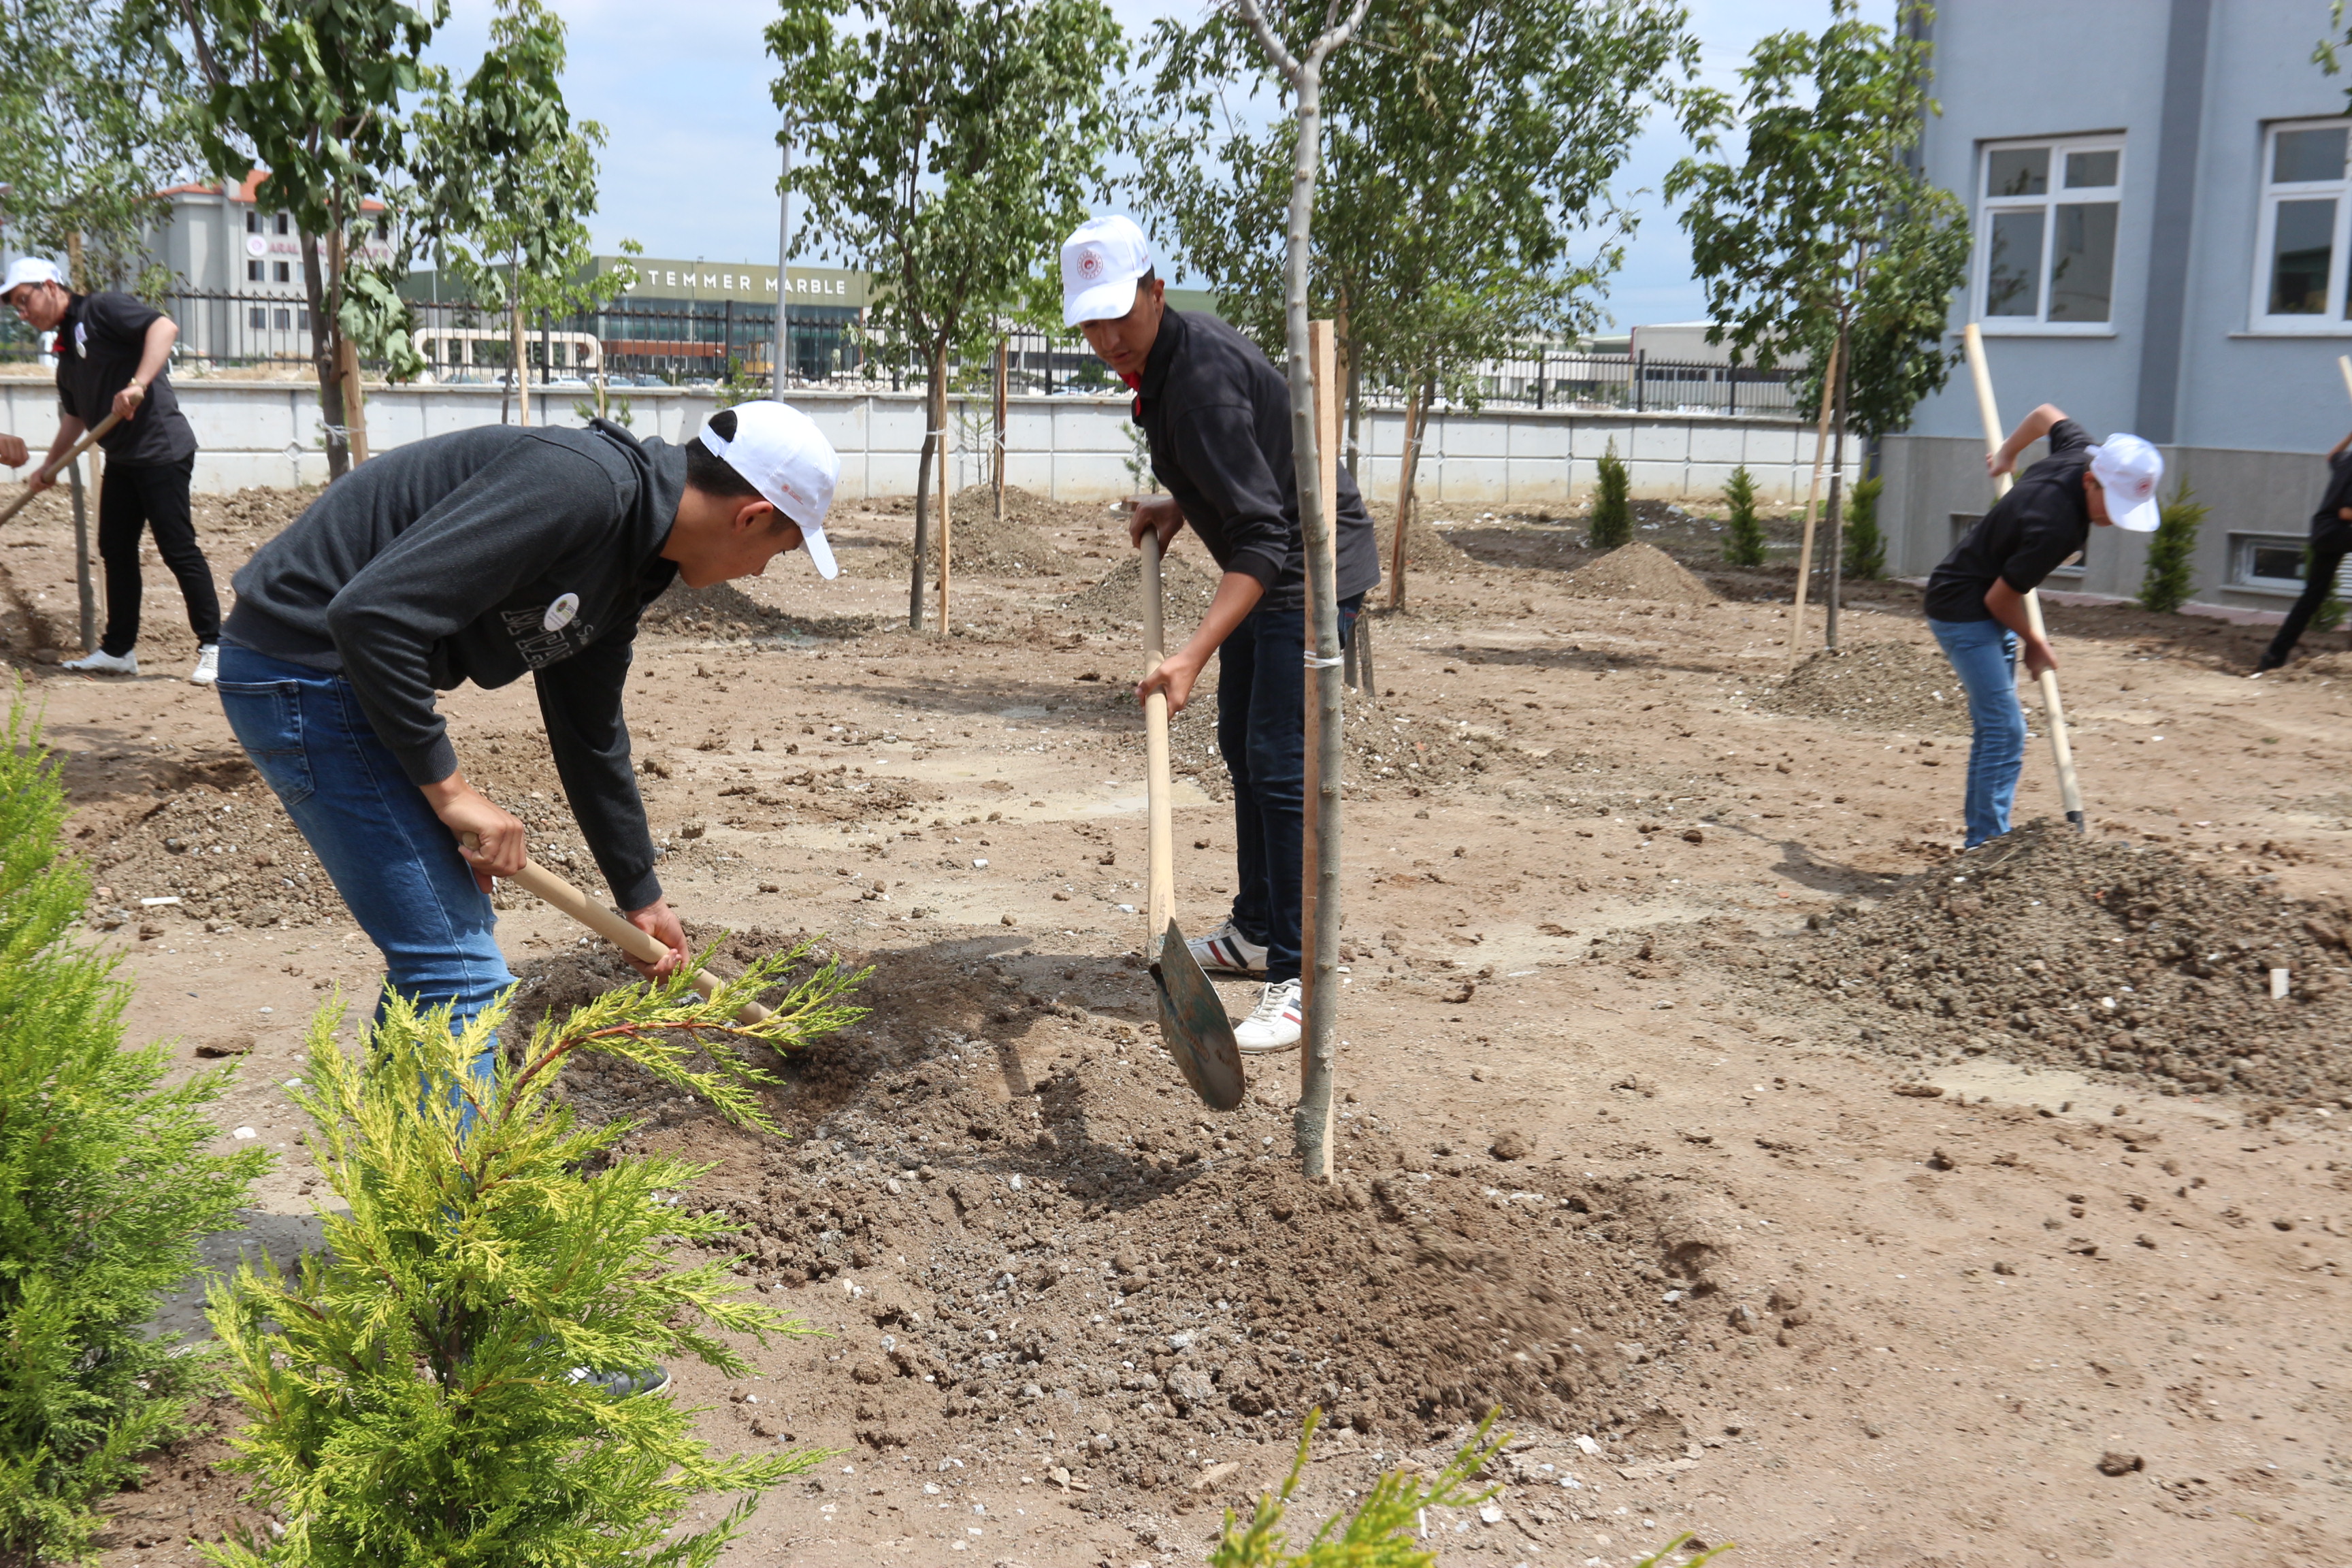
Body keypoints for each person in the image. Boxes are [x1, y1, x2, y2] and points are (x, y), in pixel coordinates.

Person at [1063, 215, 1381, 1053]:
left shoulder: (1195, 382)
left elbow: (1268, 534)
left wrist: (1192, 654)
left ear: (1157, 292)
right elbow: (1250, 471)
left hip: (1306, 572)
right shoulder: (1168, 363)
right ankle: (1252, 929)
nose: (1105, 339)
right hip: (1275, 557)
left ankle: (1302, 977)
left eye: (1118, 317)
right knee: (1247, 750)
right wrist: (1183, 503)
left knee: (1279, 763)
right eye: (1089, 322)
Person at [1923, 404, 2161, 848]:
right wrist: (2035, 642)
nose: (2114, 518)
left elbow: (2045, 414)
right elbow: (2000, 599)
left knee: (1995, 728)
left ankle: (1986, 839)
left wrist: (2007, 456)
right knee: (2006, 729)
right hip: (1963, 607)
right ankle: (1986, 850)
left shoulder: (2082, 452)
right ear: (2092, 480)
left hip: (1989, 598)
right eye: (2114, 504)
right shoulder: (2058, 527)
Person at [1, 257, 223, 683]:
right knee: (116, 551)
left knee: (177, 548)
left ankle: (215, 645)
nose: (22, 313)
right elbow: (75, 418)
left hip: (161, 449)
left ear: (50, 286)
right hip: (123, 458)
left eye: (24, 301)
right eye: (16, 307)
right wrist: (49, 467)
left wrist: (138, 383)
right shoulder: (66, 355)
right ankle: (119, 650)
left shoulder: (100, 310)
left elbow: (164, 328)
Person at [2253, 429, 2352, 674]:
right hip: (2338, 531)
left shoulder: (2346, 461)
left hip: (2322, 533)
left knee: (2311, 599)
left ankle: (2273, 657)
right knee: (2312, 597)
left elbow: (2332, 455)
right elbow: (2346, 512)